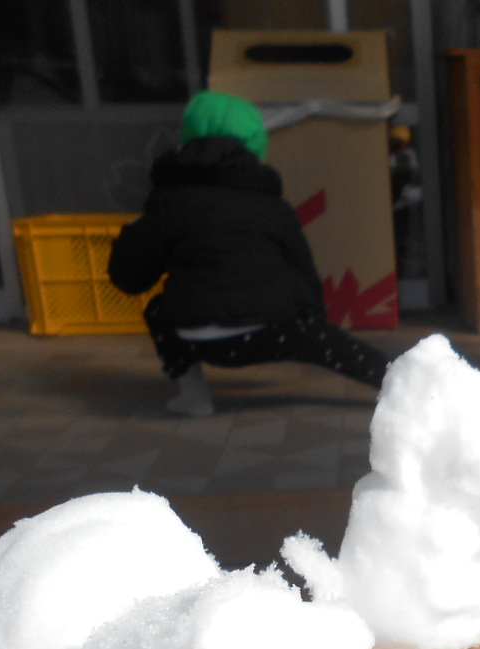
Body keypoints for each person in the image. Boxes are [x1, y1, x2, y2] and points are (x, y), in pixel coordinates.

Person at [110, 90, 392, 418]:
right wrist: (316, 328)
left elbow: (129, 278)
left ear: (187, 142)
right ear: (255, 147)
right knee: (346, 351)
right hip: (276, 332)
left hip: (199, 337)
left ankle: (194, 398)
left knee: (159, 309)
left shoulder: (168, 201)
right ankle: (411, 386)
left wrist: (133, 233)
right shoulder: (272, 205)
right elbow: (304, 269)